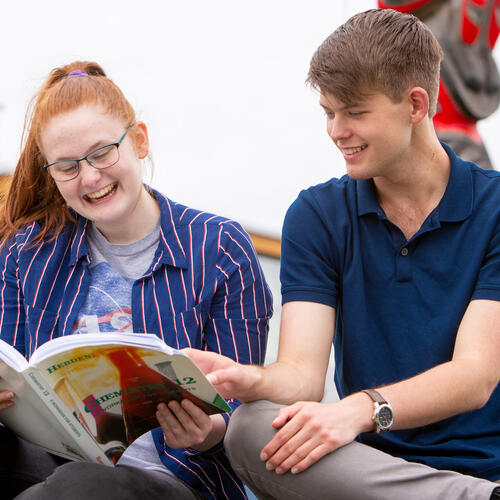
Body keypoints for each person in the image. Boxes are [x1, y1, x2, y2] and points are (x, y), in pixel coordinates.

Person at [186, 8, 500, 499]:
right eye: (328, 112)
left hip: (482, 464)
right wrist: (247, 378)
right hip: (364, 467)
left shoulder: (496, 207)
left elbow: (475, 377)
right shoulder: (317, 214)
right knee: (250, 428)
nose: (336, 131)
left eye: (354, 112)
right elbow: (301, 377)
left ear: (415, 105)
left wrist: (359, 410)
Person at [0, 61, 272, 500]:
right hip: (49, 462)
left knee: (82, 483)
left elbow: (245, 406)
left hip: (176, 478)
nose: (90, 178)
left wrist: (206, 432)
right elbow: (10, 369)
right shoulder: (26, 252)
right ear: (50, 172)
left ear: (139, 141)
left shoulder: (220, 248)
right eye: (67, 167)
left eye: (102, 153)